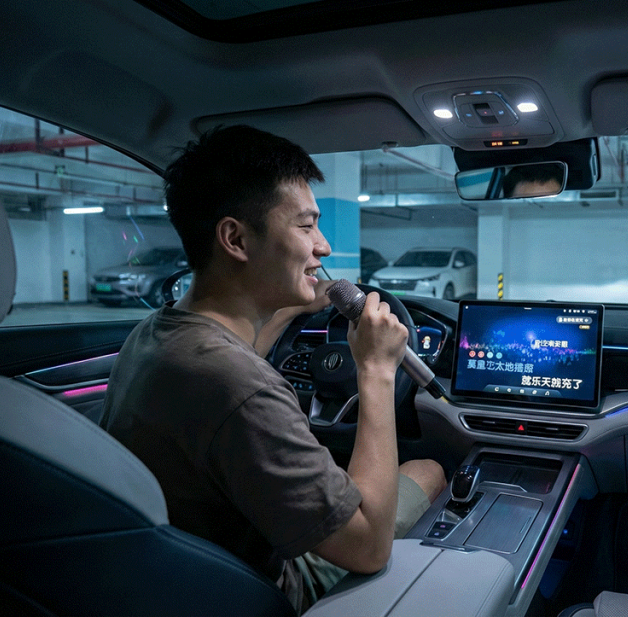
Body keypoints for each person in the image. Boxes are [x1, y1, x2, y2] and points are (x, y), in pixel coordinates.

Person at [100, 125, 446, 611]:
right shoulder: (242, 388)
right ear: (235, 238)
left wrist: (296, 301)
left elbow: (240, 353)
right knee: (427, 468)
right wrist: (376, 370)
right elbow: (367, 548)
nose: (323, 247)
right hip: (266, 587)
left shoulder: (157, 335)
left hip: (178, 581)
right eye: (306, 227)